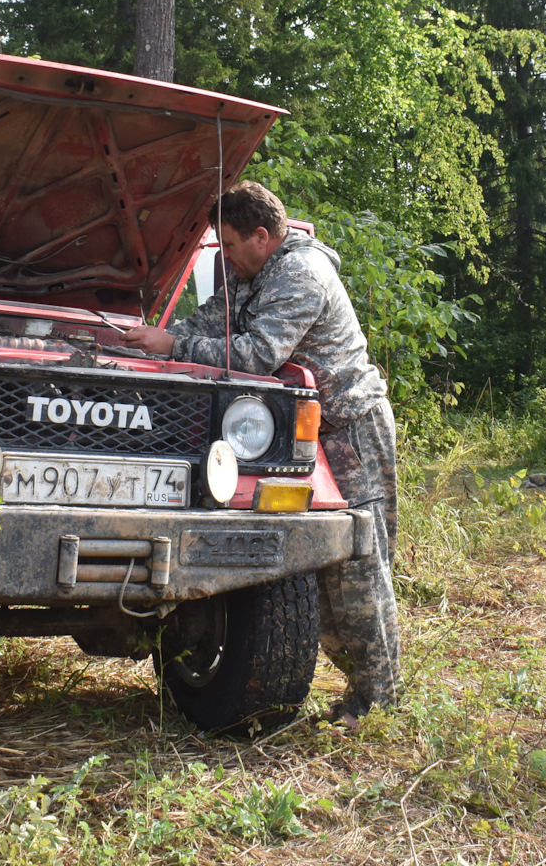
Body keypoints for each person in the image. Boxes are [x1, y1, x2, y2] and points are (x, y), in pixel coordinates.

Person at [119, 181, 401, 724]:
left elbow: (256, 354)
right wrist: (151, 342)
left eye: (227, 245)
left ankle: (378, 701)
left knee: (359, 566)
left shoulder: (302, 274)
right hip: (296, 433)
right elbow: (211, 323)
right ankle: (360, 693)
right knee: (321, 569)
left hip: (350, 430)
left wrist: (172, 347)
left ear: (262, 237)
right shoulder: (245, 269)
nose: (222, 257)